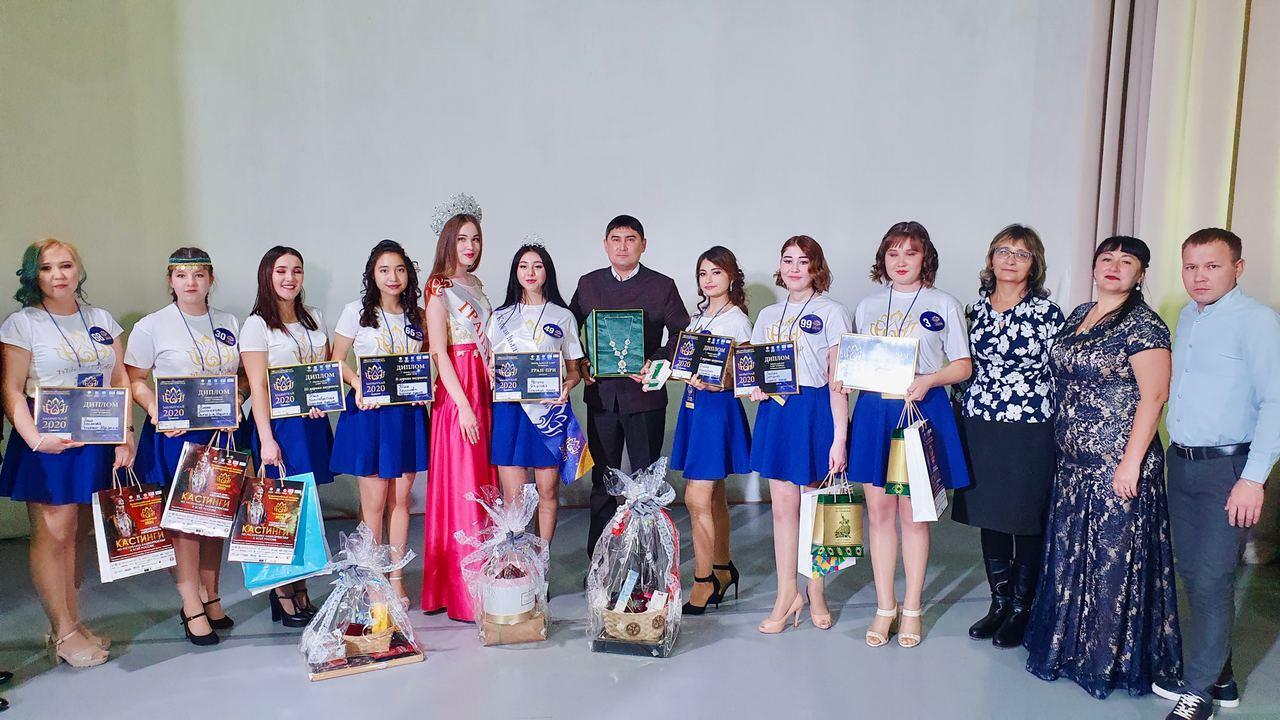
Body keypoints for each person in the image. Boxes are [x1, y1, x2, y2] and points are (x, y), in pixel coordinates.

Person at [1024, 235, 1182, 699]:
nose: (1114, 266)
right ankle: (1069, 648)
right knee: (1074, 558)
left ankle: (1105, 659)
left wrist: (1131, 463)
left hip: (1117, 463)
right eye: (1106, 258)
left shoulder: (1144, 325)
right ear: (1094, 267)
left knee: (1112, 562)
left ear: (1141, 274)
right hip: (1073, 463)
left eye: (1126, 261)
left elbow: (1155, 395)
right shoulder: (1079, 314)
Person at [1152, 228, 1280, 720]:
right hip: (1182, 462)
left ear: (1237, 268)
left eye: (1212, 266)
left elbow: (1275, 402)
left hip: (1229, 468)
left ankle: (1199, 690)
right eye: (1191, 266)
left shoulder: (1258, 321)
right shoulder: (1188, 316)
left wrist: (1252, 478)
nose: (1199, 276)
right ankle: (1219, 676)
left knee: (1211, 577)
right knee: (1192, 572)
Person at [1, 238, 133, 667]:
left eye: (66, 265)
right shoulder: (23, 324)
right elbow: (11, 389)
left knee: (75, 535)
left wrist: (125, 435)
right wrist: (36, 439)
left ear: (79, 269)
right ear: (33, 275)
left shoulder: (101, 319)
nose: (58, 275)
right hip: (48, 442)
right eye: (46, 267)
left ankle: (71, 623)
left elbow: (119, 381)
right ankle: (62, 632)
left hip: (94, 440)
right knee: (52, 535)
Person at [847, 221, 972, 648]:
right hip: (873, 412)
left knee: (915, 515)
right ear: (882, 259)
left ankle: (913, 606)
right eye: (893, 253)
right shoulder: (866, 306)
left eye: (911, 253)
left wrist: (930, 379)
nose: (901, 261)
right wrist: (846, 376)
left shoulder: (944, 303)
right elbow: (856, 362)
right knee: (879, 512)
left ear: (926, 258)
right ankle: (886, 606)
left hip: (921, 409)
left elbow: (963, 365)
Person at [126, 246, 247, 646]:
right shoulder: (152, 326)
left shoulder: (229, 321)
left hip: (222, 433)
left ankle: (212, 596)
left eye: (198, 274)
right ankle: (190, 601)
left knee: (215, 519)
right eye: (181, 275)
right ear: (170, 281)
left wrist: (237, 399)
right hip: (176, 436)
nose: (190, 282)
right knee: (183, 522)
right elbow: (135, 379)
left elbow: (243, 375)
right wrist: (157, 410)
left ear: (211, 279)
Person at [952, 225, 1064, 648]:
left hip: (1030, 425)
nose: (1011, 260)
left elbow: (1061, 372)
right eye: (1004, 251)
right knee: (991, 513)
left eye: (1022, 253)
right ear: (991, 258)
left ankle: (1022, 607)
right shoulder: (972, 311)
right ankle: (999, 603)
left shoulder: (1049, 314)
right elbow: (961, 366)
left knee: (1025, 516)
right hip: (980, 423)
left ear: (1034, 264)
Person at [569, 215, 690, 562]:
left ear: (643, 245)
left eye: (631, 239)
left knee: (646, 484)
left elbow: (681, 333)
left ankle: (648, 560)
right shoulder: (589, 284)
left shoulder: (662, 285)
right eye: (616, 239)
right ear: (605, 244)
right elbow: (568, 328)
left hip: (645, 397)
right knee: (603, 483)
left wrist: (658, 360)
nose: (623, 246)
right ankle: (601, 561)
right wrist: (581, 361)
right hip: (602, 397)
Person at [749, 236, 850, 633]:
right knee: (781, 509)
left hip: (814, 410)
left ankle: (816, 591)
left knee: (816, 508)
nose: (794, 268)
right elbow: (754, 370)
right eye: (787, 260)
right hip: (777, 413)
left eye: (803, 261)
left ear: (816, 267)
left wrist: (839, 436)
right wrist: (755, 387)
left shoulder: (833, 312)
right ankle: (786, 592)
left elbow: (838, 382)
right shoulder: (767, 315)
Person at [329, 239, 430, 607]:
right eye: (384, 270)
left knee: (401, 501)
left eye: (400, 269)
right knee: (373, 504)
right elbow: (336, 359)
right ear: (372, 274)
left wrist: (422, 386)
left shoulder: (418, 315)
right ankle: (373, 581)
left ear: (409, 274)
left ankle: (397, 579)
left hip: (406, 417)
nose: (393, 277)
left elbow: (426, 360)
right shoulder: (355, 312)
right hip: (370, 415)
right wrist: (358, 384)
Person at [241, 245, 333, 626]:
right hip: (278, 427)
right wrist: (266, 439)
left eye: (296, 270)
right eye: (281, 271)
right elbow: (258, 387)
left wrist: (321, 401)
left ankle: (301, 587)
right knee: (279, 509)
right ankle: (282, 592)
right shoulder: (256, 325)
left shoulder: (314, 317)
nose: (289, 278)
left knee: (305, 507)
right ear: (267, 275)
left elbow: (321, 371)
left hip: (309, 425)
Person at [421, 193, 497, 622]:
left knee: (486, 481)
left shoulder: (478, 286)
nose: (470, 246)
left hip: (484, 385)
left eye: (476, 239)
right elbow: (439, 352)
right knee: (465, 482)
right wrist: (463, 406)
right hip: (460, 391)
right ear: (449, 241)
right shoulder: (439, 288)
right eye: (463, 238)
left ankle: (489, 581)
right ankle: (463, 591)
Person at [669, 246, 751, 615]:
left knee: (695, 499)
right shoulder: (697, 319)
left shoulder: (738, 321)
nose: (709, 279)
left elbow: (746, 375)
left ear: (731, 277)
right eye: (703, 273)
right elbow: (684, 364)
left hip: (717, 411)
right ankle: (722, 568)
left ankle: (703, 581)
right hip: (693, 407)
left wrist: (722, 382)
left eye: (716, 272)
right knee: (714, 496)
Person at [486, 240, 584, 544]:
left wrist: (567, 385)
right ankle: (516, 561)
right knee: (513, 498)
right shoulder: (499, 317)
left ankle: (542, 559)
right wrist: (490, 371)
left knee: (548, 490)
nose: (530, 272)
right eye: (523, 266)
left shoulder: (563, 315)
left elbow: (574, 370)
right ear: (515, 272)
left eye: (537, 266)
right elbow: (490, 364)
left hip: (548, 412)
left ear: (547, 272)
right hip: (511, 411)